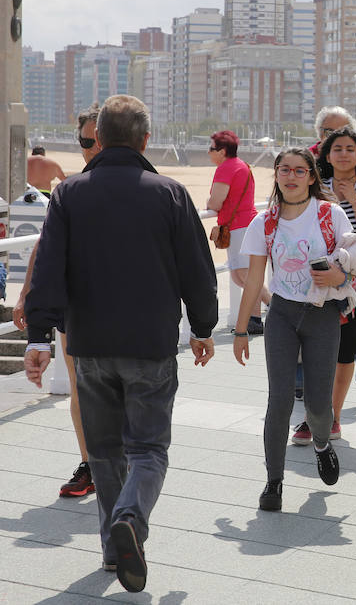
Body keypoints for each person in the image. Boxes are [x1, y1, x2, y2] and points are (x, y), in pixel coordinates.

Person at [23, 95, 217, 593]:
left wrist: (40, 336)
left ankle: (114, 546)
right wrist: (202, 327)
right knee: (149, 448)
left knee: (106, 451)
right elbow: (197, 270)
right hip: (150, 342)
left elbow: (49, 268)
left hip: (88, 343)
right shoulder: (170, 193)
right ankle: (131, 517)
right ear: (145, 140)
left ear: (99, 139)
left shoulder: (69, 194)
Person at [235, 148, 356, 509]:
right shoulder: (265, 222)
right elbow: (256, 276)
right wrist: (242, 330)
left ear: (311, 176)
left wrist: (341, 274)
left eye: (300, 171)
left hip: (321, 315)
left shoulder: (330, 214)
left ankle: (321, 443)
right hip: (282, 315)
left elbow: (355, 262)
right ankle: (274, 482)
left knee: (320, 405)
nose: (291, 176)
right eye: (284, 169)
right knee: (280, 400)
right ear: (275, 174)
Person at [13, 103, 101, 498]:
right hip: (76, 309)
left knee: (124, 391)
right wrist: (26, 293)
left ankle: (124, 462)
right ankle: (90, 464)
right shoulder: (68, 192)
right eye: (85, 141)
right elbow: (45, 248)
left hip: (129, 312)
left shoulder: (152, 190)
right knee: (81, 388)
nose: (92, 148)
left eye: (99, 140)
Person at [291, 128, 356, 444]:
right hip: (317, 278)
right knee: (317, 347)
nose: (344, 154)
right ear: (327, 155)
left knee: (345, 346)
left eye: (350, 148)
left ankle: (331, 416)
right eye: (337, 149)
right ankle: (313, 416)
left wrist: (351, 202)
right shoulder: (314, 189)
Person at [207, 130, 270, 335]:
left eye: (212, 149)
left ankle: (276, 309)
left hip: (239, 227)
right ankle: (254, 319)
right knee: (240, 276)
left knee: (244, 275)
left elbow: (216, 202)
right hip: (245, 224)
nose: (209, 153)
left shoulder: (226, 168)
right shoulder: (241, 165)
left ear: (222, 151)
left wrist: (209, 203)